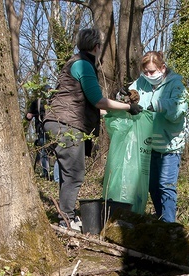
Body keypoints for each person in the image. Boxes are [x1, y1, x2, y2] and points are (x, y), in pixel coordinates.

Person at [44, 28, 142, 230]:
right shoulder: (83, 64)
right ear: (97, 46)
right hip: (66, 124)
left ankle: (66, 215)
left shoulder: (76, 61)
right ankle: (67, 220)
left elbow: (89, 105)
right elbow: (98, 101)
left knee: (68, 173)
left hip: (60, 121)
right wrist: (128, 107)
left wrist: (118, 111)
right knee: (75, 174)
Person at [129, 51, 188, 223]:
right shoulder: (142, 82)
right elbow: (131, 91)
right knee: (152, 186)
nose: (148, 75)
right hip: (149, 144)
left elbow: (178, 110)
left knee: (166, 186)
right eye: (145, 72)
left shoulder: (176, 85)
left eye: (152, 72)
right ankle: (161, 218)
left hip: (169, 146)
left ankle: (169, 225)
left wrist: (156, 105)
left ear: (163, 68)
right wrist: (126, 95)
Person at [25, 90, 50, 179]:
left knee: (55, 150)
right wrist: (29, 116)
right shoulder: (37, 102)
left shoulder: (53, 100)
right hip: (41, 129)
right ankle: (46, 173)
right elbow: (28, 114)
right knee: (43, 150)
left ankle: (55, 174)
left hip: (52, 130)